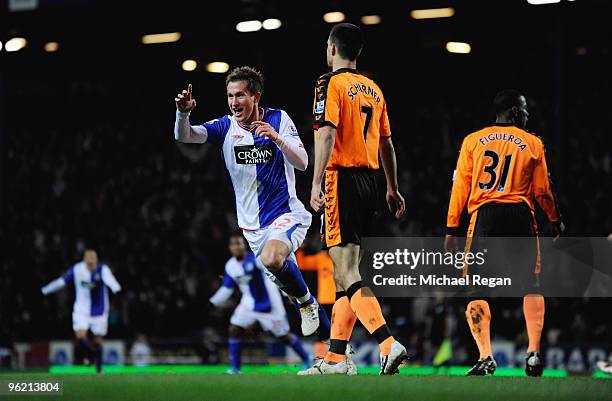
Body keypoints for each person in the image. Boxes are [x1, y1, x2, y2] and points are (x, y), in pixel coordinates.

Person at [173, 66, 325, 336]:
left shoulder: (279, 119)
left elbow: (302, 163)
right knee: (290, 285)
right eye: (230, 96)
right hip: (252, 230)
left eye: (240, 95)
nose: (234, 102)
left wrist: (276, 138)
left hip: (285, 214)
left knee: (274, 262)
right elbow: (185, 136)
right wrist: (183, 113)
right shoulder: (224, 128)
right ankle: (338, 352)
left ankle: (307, 303)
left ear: (256, 96)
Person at [304, 23, 407, 376]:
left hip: (341, 179)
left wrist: (317, 181)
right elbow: (386, 143)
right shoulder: (374, 90)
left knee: (346, 271)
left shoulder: (328, 83)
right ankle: (335, 358)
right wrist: (392, 188)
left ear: (332, 48)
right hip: (371, 183)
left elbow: (327, 132)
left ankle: (387, 343)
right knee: (344, 274)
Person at [444, 89, 563, 376]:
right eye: (523, 109)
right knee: (531, 286)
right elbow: (542, 191)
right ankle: (533, 353)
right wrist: (555, 219)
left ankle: (485, 357)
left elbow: (459, 187)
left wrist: (451, 227)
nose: (526, 114)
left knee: (475, 288)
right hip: (520, 215)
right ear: (512, 111)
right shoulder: (533, 143)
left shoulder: (472, 141)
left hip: (484, 216)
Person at [209, 233, 312, 374]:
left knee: (283, 336)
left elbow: (275, 274)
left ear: (244, 245)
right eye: (233, 244)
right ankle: (235, 368)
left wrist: (286, 292)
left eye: (239, 243)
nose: (237, 247)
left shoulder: (256, 259)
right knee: (234, 329)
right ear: (230, 248)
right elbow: (227, 288)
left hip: (270, 304)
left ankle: (307, 358)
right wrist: (212, 302)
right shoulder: (231, 266)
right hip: (249, 303)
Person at [41, 249, 121, 373]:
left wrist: (116, 288)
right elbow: (62, 281)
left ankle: (99, 369)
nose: (91, 265)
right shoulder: (77, 269)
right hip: (81, 310)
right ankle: (89, 356)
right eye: (88, 263)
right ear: (84, 261)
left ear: (96, 261)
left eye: (93, 263)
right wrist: (45, 290)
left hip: (99, 310)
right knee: (80, 336)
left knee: (97, 341)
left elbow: (110, 280)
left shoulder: (103, 269)